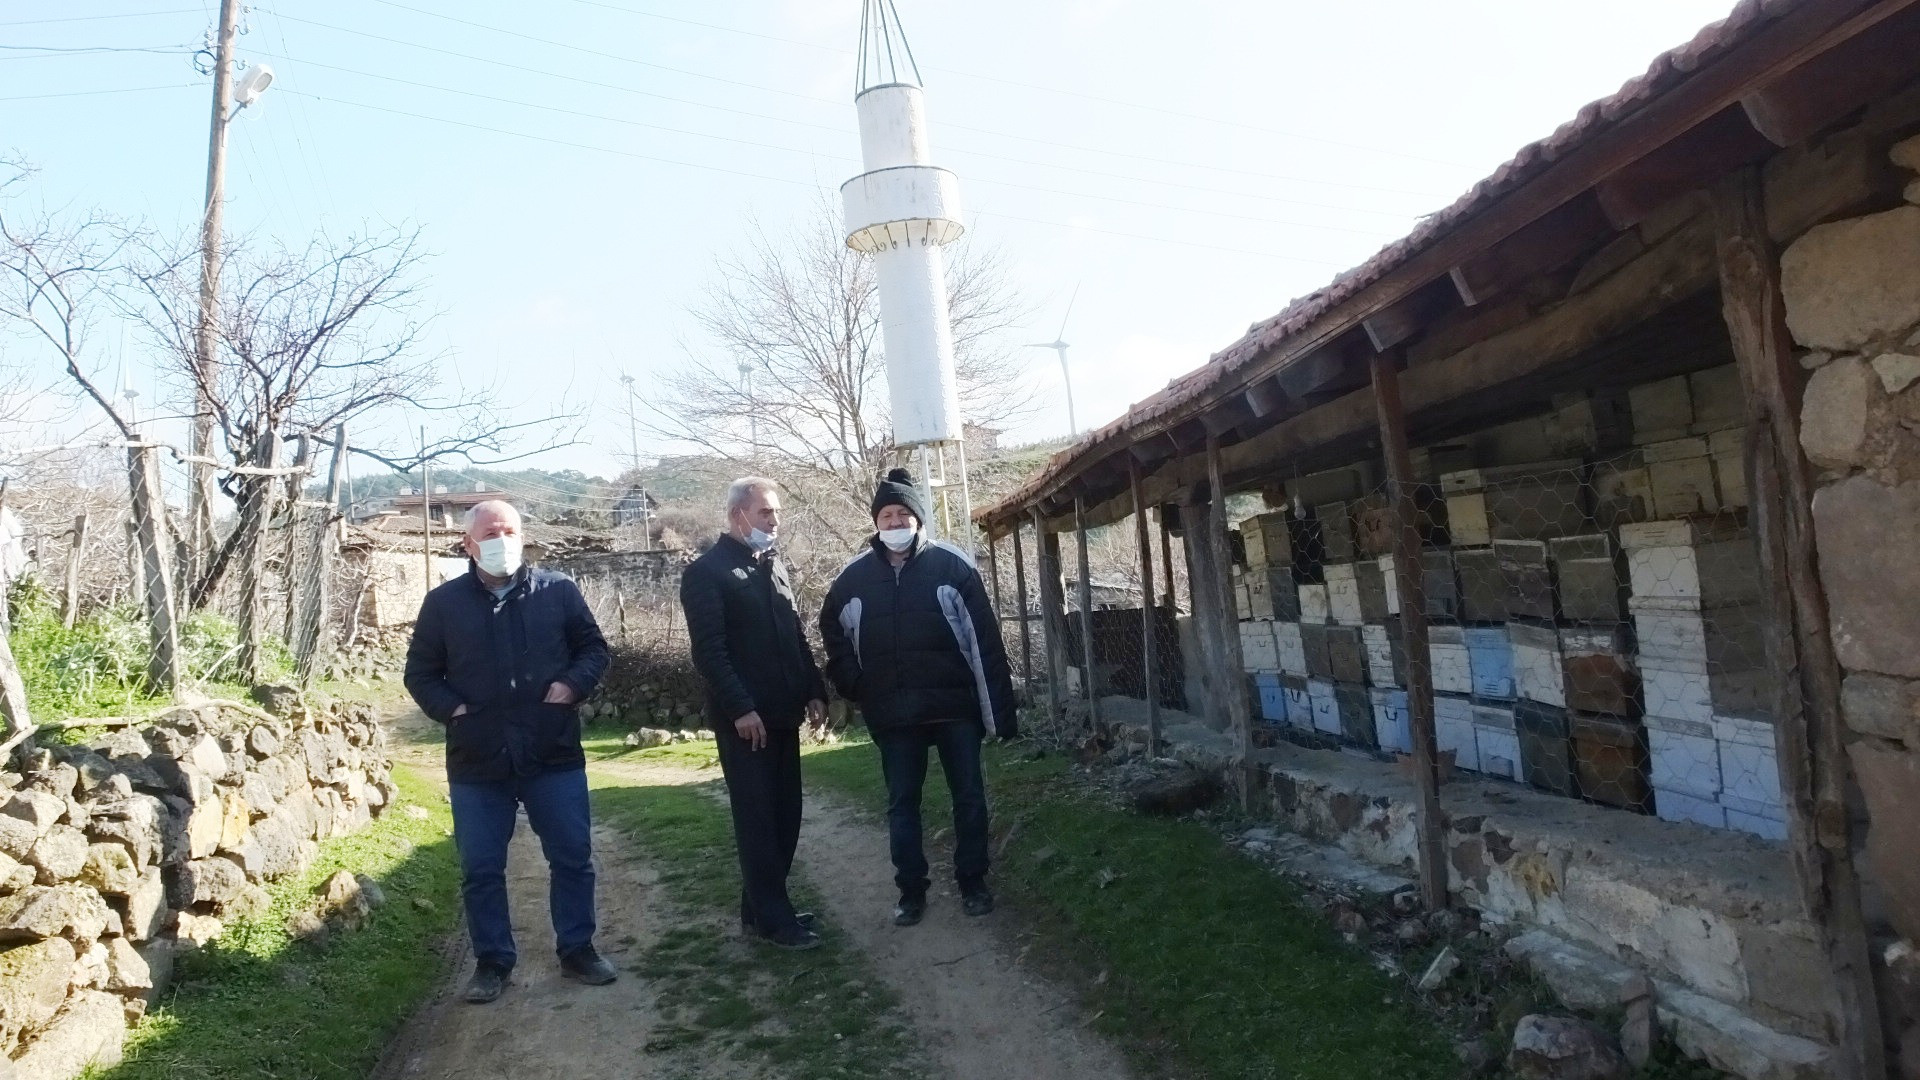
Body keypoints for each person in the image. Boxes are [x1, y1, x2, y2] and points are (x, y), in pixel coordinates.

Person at [403, 499, 615, 1004]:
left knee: (571, 857)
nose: (503, 540)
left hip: (551, 751)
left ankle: (577, 948)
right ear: (469, 544)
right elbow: (420, 673)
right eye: (491, 532)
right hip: (478, 761)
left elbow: (593, 649)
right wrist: (452, 710)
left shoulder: (559, 591)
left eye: (511, 530)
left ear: (524, 537)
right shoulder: (443, 604)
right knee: (480, 868)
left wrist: (572, 685)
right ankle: (492, 961)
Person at [819, 468, 1018, 927]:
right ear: (876, 522)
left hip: (954, 712)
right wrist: (853, 681)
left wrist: (999, 717)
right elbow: (832, 630)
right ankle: (911, 891)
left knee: (968, 797)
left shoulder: (952, 566)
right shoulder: (853, 578)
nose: (895, 521)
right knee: (901, 804)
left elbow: (984, 644)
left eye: (903, 513)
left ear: (919, 518)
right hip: (895, 716)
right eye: (887, 514)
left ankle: (973, 881)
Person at [681, 477, 829, 950]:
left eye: (777, 512)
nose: (774, 520)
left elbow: (795, 636)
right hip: (746, 723)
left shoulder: (774, 566)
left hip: (784, 713)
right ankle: (774, 920)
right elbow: (709, 652)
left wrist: (814, 689)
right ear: (737, 515)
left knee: (787, 814)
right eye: (766, 512)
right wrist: (740, 707)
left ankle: (760, 907)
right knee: (759, 819)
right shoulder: (707, 572)